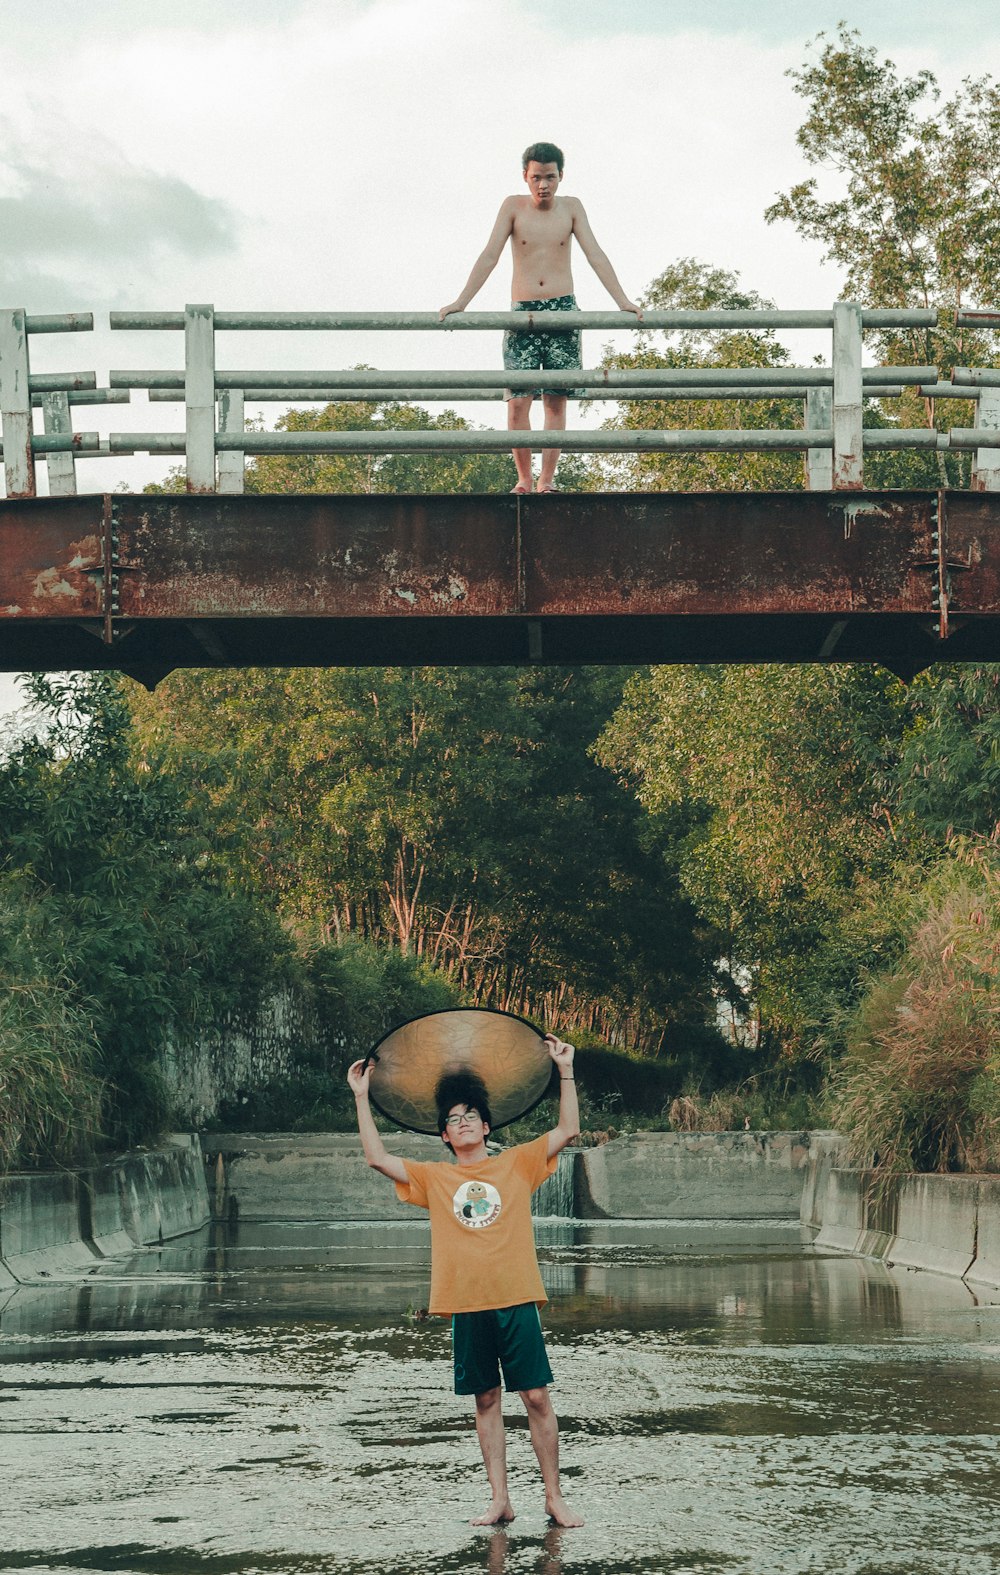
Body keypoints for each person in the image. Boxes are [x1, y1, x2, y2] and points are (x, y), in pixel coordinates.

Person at [346, 1033, 583, 1527]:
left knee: (536, 1396)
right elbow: (376, 1159)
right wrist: (361, 1097)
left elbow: (567, 1129)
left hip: (516, 1297)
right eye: (453, 1120)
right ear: (446, 1138)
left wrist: (565, 1070)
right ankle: (500, 1498)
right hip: (466, 1302)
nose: (462, 1122)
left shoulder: (516, 1163)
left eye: (469, 1116)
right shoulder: (433, 1177)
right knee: (486, 1398)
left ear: (486, 1125)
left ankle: (554, 1497)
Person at [439, 140, 641, 494]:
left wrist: (622, 299)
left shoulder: (572, 208)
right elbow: (490, 255)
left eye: (550, 177)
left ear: (561, 176)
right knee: (518, 400)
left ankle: (547, 481)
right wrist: (462, 301)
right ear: (525, 177)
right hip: (523, 312)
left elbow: (596, 254)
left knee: (555, 399)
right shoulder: (512, 208)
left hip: (563, 310)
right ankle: (524, 478)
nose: (543, 185)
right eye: (536, 177)